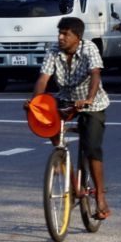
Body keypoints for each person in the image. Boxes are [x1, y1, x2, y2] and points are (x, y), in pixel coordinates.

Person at [27, 16, 111, 220]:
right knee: (49, 125)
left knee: (91, 147)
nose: (61, 37)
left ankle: (100, 196)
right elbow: (43, 79)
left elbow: (96, 75)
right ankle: (72, 180)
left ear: (78, 37)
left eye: (66, 34)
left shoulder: (89, 48)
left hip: (92, 103)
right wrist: (35, 101)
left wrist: (89, 99)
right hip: (65, 99)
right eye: (60, 33)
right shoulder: (53, 51)